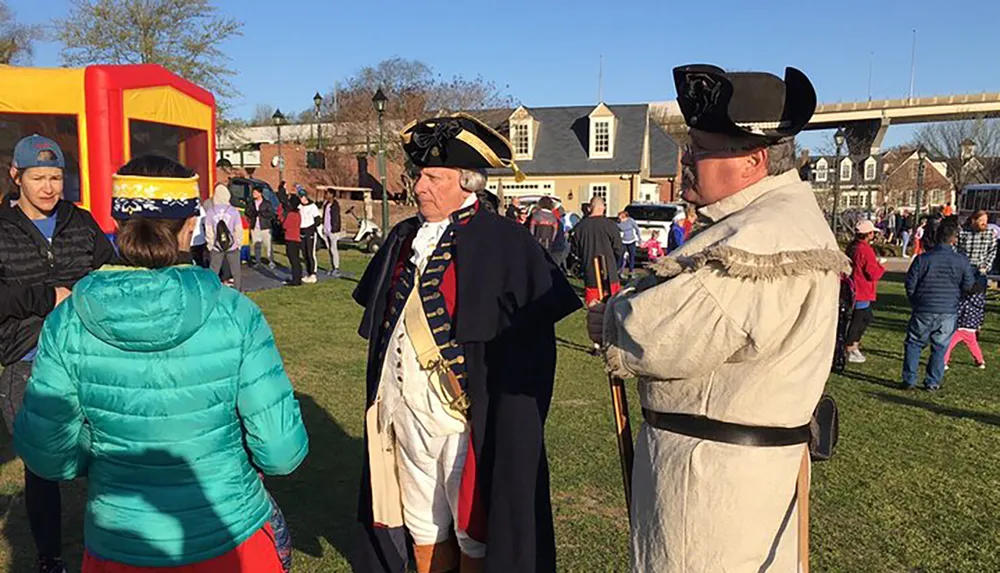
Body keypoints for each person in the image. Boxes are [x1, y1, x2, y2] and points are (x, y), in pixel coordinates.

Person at [588, 64, 847, 572]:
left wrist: (613, 316)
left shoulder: (755, 235)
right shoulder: (781, 219)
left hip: (710, 485)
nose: (686, 161)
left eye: (701, 150)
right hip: (741, 470)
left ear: (752, 160)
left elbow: (659, 335)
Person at [13, 154, 308, 573]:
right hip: (230, 537)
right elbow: (281, 451)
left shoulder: (69, 321)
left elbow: (47, 454)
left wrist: (100, 451)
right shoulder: (236, 313)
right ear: (191, 225)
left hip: (118, 541)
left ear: (116, 224)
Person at [352, 113, 581, 573]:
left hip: (459, 423)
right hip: (402, 414)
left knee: (472, 527)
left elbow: (527, 351)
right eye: (420, 175)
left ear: (469, 182)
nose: (419, 187)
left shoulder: (506, 244)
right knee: (420, 521)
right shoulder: (402, 238)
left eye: (434, 177)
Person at [0, 134, 115, 573]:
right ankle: (49, 558)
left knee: (107, 458)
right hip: (28, 364)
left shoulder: (80, 222)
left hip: (90, 358)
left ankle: (110, 550)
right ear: (17, 177)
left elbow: (109, 273)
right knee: (43, 467)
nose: (49, 187)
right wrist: (46, 296)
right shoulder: (2, 228)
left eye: (55, 177)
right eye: (38, 177)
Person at [903, 217, 977, 390]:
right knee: (940, 346)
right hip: (948, 309)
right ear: (954, 239)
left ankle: (909, 379)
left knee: (914, 343)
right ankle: (933, 382)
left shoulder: (923, 259)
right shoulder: (961, 261)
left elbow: (910, 284)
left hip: (924, 307)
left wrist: (915, 301)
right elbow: (968, 285)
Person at [844, 220, 887, 363]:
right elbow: (872, 273)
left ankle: (852, 344)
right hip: (862, 289)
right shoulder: (865, 250)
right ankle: (850, 346)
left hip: (854, 287)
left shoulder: (853, 247)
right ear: (868, 234)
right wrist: (880, 267)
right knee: (859, 319)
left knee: (865, 316)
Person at [572, 196, 624, 306]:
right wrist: (617, 265)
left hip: (590, 271)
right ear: (603, 208)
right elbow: (619, 249)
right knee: (612, 308)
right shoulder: (610, 225)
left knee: (593, 310)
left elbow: (575, 251)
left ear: (590, 208)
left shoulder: (580, 227)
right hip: (610, 272)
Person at [205, 184, 244, 291]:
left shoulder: (210, 212)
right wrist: (238, 243)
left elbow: (209, 231)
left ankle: (212, 290)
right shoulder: (233, 211)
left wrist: (210, 245)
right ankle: (238, 290)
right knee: (236, 271)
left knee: (214, 270)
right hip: (232, 246)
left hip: (217, 246)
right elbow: (238, 229)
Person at [246, 186, 277, 269]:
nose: (253, 194)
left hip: (265, 227)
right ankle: (257, 261)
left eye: (255, 193)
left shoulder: (267, 203)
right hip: (255, 227)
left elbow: (271, 214)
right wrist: (253, 214)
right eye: (253, 193)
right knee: (256, 245)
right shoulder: (251, 203)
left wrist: (262, 214)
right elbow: (247, 212)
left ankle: (271, 261)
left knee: (268, 245)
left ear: (260, 193)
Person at [297, 186, 320, 283]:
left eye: (303, 197)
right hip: (301, 231)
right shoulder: (299, 206)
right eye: (300, 197)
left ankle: (313, 273)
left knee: (310, 253)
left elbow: (318, 220)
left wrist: (312, 229)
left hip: (310, 231)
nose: (302, 199)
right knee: (304, 253)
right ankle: (308, 272)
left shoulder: (313, 206)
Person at [282, 196, 303, 287]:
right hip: (296, 239)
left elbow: (285, 226)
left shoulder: (291, 214)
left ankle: (295, 280)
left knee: (293, 260)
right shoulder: (298, 214)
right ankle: (298, 278)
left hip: (290, 238)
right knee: (296, 260)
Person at [321, 189, 343, 277]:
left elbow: (336, 218)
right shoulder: (326, 204)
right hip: (326, 230)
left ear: (332, 195)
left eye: (328, 194)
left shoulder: (335, 205)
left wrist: (335, 228)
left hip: (332, 231)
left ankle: (336, 268)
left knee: (334, 249)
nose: (326, 195)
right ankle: (332, 266)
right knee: (329, 249)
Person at [617, 210, 640, 277]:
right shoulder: (618, 223)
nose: (619, 219)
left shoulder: (630, 221)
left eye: (620, 217)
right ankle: (619, 271)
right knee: (621, 257)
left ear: (624, 217)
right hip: (623, 242)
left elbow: (637, 229)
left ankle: (631, 271)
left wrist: (639, 238)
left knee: (632, 257)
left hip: (631, 241)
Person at [190, 200, 209, 268]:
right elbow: (205, 222)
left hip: (189, 239)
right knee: (199, 259)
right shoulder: (200, 209)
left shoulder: (186, 209)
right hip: (199, 239)